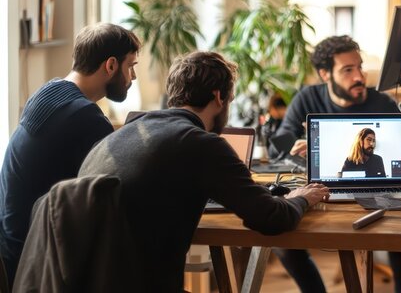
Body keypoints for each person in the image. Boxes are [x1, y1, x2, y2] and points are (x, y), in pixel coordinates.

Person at [77, 51, 330, 291]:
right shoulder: (200, 143)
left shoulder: (128, 130)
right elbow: (272, 218)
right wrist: (302, 196)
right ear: (219, 97)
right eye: (230, 100)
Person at [0, 23, 140, 284]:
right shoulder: (86, 117)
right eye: (131, 66)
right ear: (110, 66)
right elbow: (117, 190)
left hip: (11, 246)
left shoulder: (50, 91)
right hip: (34, 265)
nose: (133, 77)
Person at [270, 35, 401, 293]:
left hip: (377, 193)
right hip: (323, 191)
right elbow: (280, 141)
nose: (359, 76)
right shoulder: (307, 98)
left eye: (360, 67)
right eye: (347, 70)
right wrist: (302, 144)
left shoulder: (382, 103)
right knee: (283, 241)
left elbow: (400, 150)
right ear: (325, 74)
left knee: (399, 232)